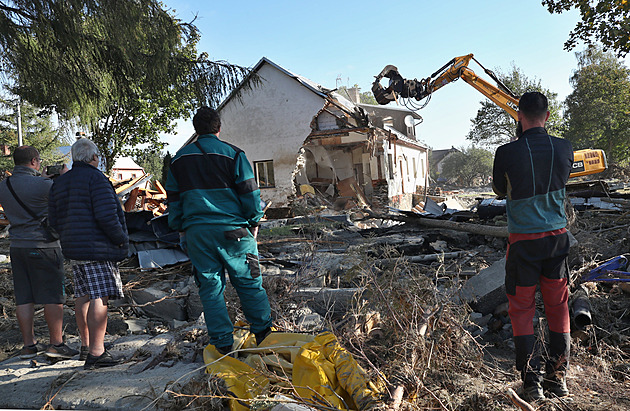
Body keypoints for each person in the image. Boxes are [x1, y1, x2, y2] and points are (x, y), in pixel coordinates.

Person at [166, 107, 272, 355]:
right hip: (233, 230)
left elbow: (174, 200)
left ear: (196, 129)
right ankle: (264, 336)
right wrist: (254, 221)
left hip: (197, 233)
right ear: (218, 128)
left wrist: (181, 230)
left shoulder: (178, 160)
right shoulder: (234, 154)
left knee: (210, 288)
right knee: (249, 283)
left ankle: (223, 345)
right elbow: (250, 192)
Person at [492, 92, 573, 402]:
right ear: (548, 116)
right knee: (558, 308)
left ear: (519, 115)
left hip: (524, 245)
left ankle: (532, 384)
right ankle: (558, 379)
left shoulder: (506, 152)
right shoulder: (564, 148)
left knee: (522, 311)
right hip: (556, 242)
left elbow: (500, 189)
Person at [48, 138, 129, 369]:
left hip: (73, 248)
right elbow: (106, 216)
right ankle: (96, 352)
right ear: (94, 158)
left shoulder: (60, 183)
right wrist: (121, 240)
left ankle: (86, 346)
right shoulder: (97, 179)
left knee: (82, 296)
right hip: (97, 248)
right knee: (99, 297)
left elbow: (53, 221)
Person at [0, 146, 78, 360]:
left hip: (17, 247)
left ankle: (29, 345)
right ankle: (56, 344)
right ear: (35, 161)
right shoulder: (45, 185)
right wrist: (60, 177)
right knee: (53, 296)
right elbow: (64, 198)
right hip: (44, 246)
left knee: (24, 298)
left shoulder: (3, 186)